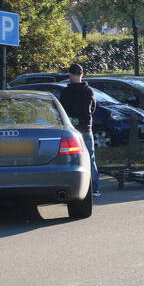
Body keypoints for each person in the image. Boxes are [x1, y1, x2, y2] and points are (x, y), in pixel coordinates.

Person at [58, 63, 101, 197]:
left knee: (71, 159)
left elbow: (62, 111)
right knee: (90, 158)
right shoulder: (89, 91)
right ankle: (95, 188)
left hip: (71, 130)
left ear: (70, 75)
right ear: (82, 74)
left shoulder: (66, 92)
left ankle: (74, 188)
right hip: (86, 127)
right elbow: (93, 108)